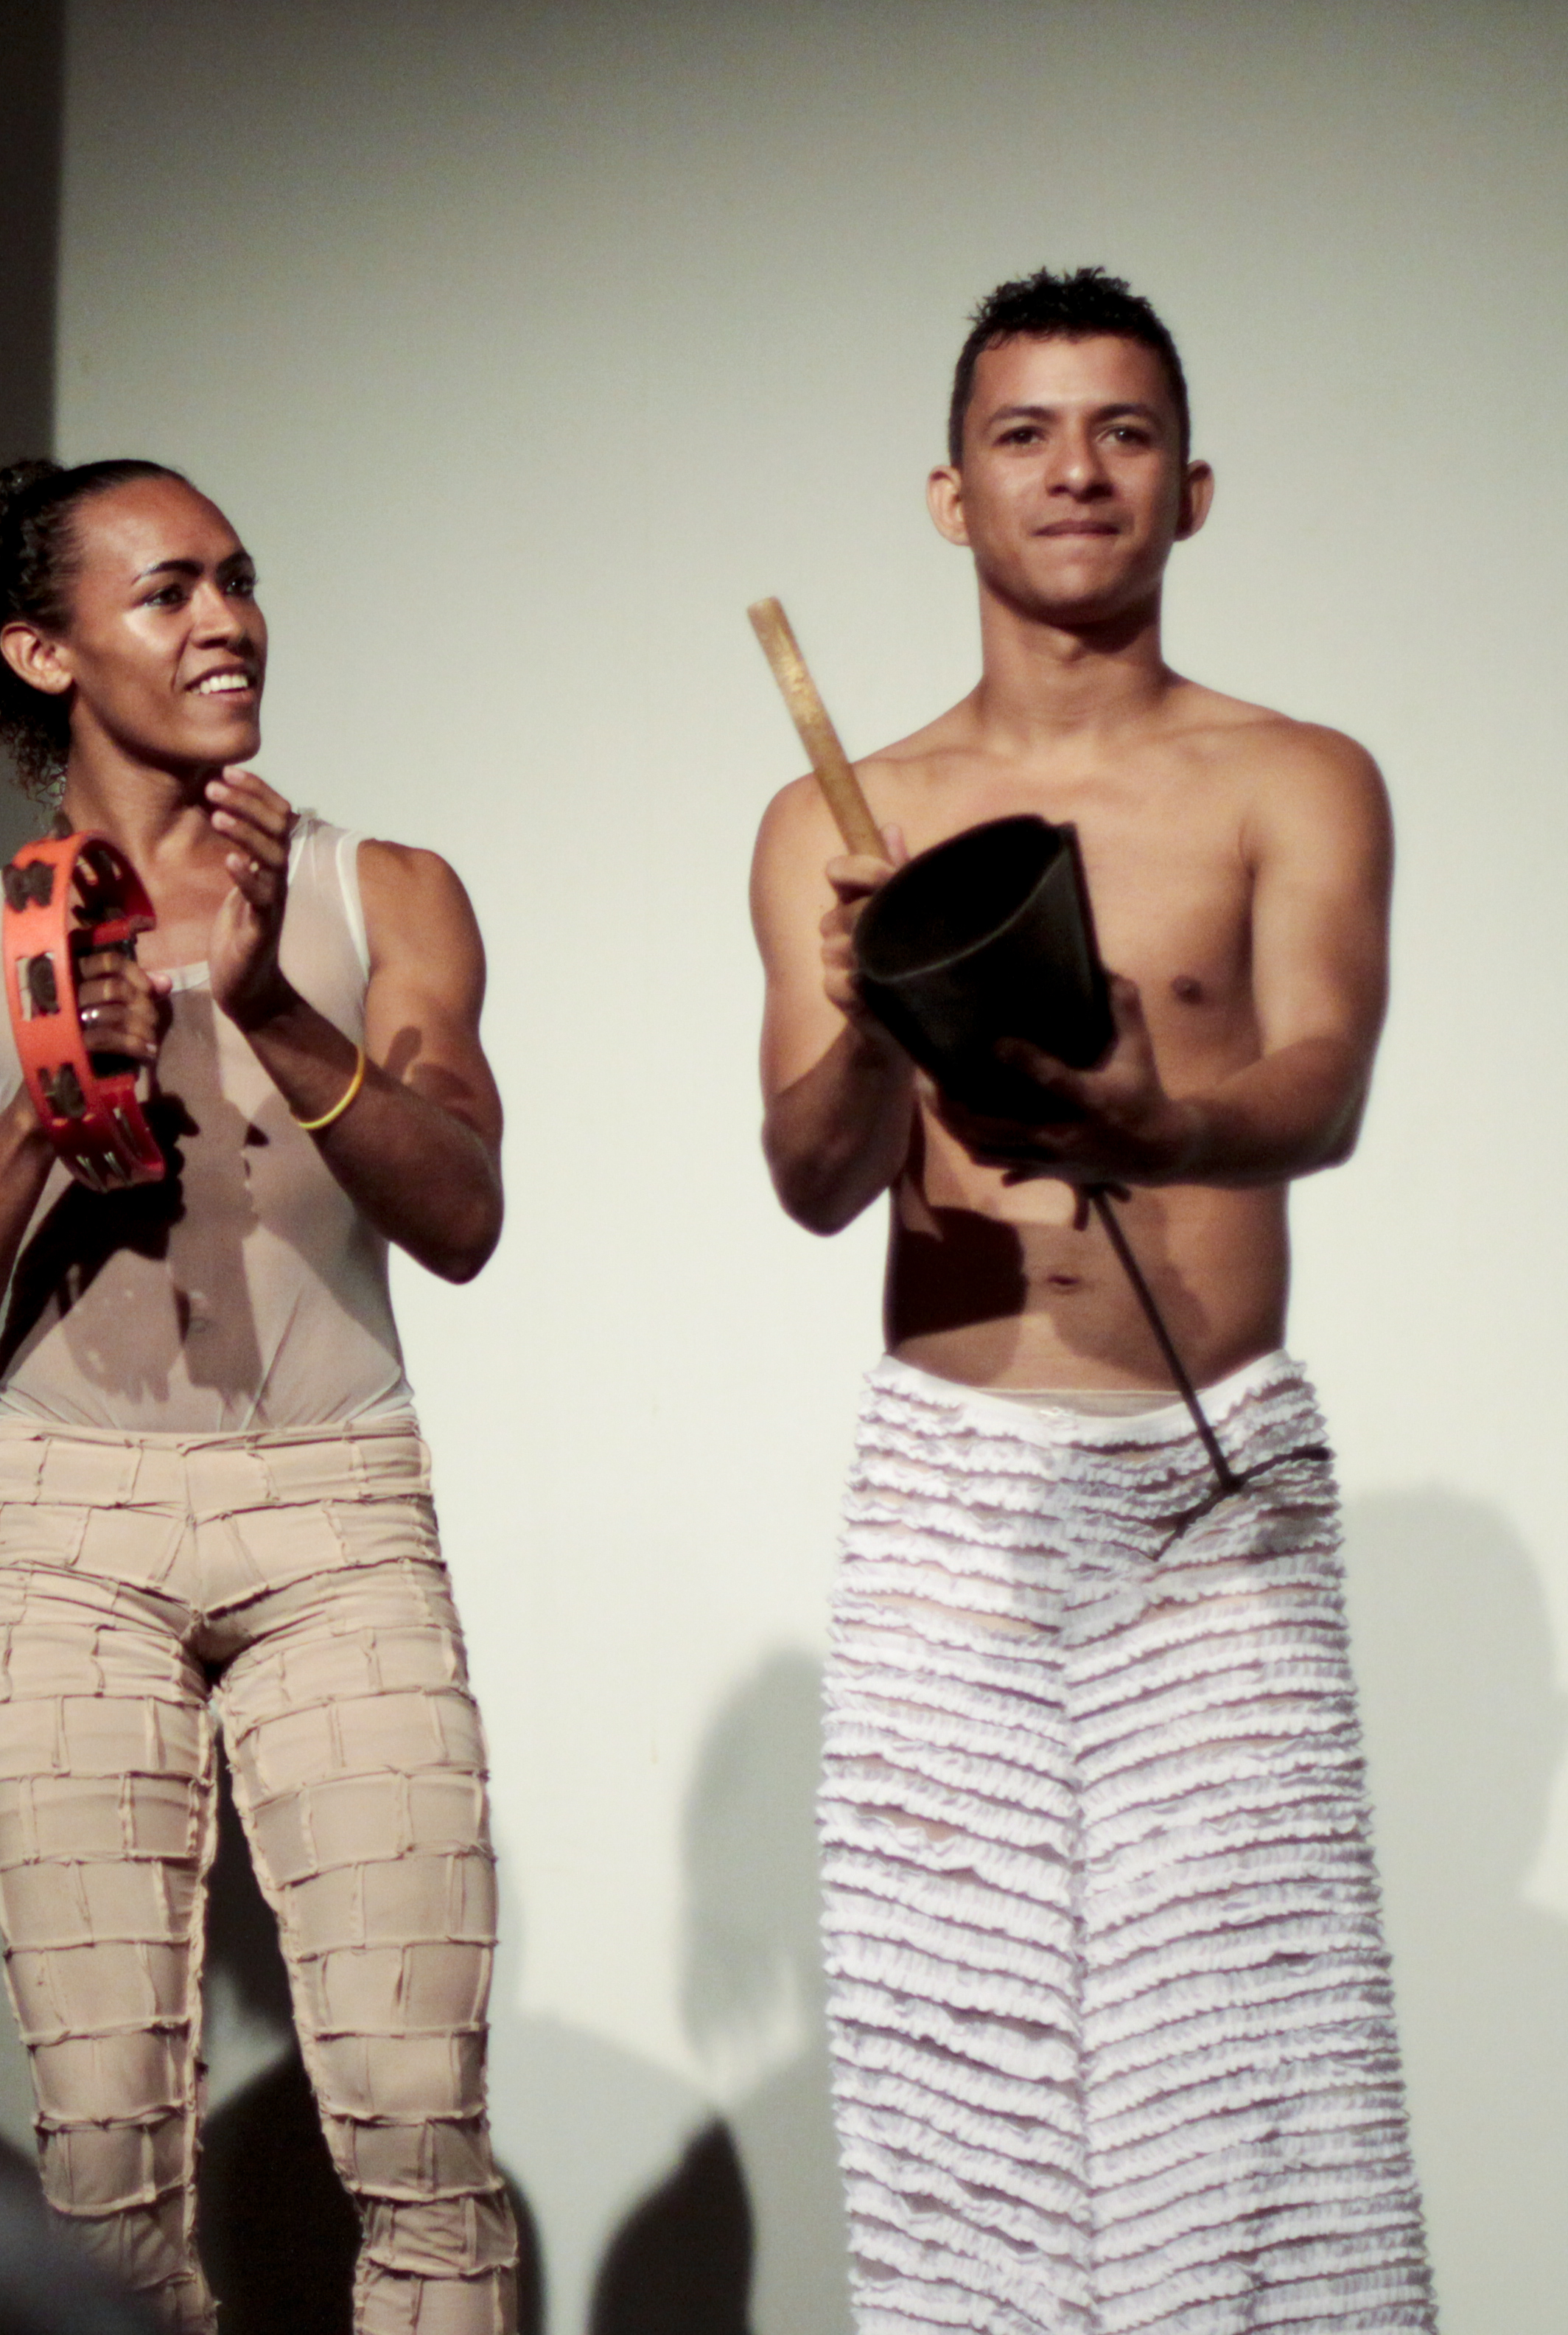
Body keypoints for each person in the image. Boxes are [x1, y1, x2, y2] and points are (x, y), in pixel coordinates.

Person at [749, 266, 1432, 2330]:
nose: (1076, 472)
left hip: (1212, 1487)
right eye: (1027, 435)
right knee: (962, 2084)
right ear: (950, 494)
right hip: (956, 1487)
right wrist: (872, 1012)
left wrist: (1160, 1124)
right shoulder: (840, 817)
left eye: (1124, 433)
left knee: (1254, 2080)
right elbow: (811, 1179)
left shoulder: (1294, 777)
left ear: (1191, 489)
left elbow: (1322, 1085)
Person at [0, 460, 517, 2335]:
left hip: (338, 1510)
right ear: (42, 651)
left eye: (239, 579)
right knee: (101, 2175)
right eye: (168, 593)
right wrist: (48, 1107)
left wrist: (276, 1008)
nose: (226, 621)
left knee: (422, 2127)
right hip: (73, 1530)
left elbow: (466, 1217)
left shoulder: (387, 892)